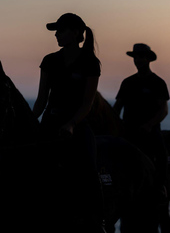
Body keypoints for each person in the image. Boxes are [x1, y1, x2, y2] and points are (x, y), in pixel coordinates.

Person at [32, 13, 104, 232]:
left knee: (90, 168)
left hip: (77, 124)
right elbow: (41, 99)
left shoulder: (90, 62)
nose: (56, 35)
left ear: (75, 33)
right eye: (57, 31)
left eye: (61, 30)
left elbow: (87, 103)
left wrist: (72, 124)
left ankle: (97, 220)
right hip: (50, 122)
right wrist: (29, 122)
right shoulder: (49, 60)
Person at [113, 43, 170, 201]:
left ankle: (160, 186)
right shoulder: (127, 83)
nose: (138, 60)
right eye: (136, 57)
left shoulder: (158, 83)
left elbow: (163, 110)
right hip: (128, 129)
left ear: (148, 59)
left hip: (150, 130)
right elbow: (117, 107)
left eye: (141, 57)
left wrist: (149, 125)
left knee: (161, 153)